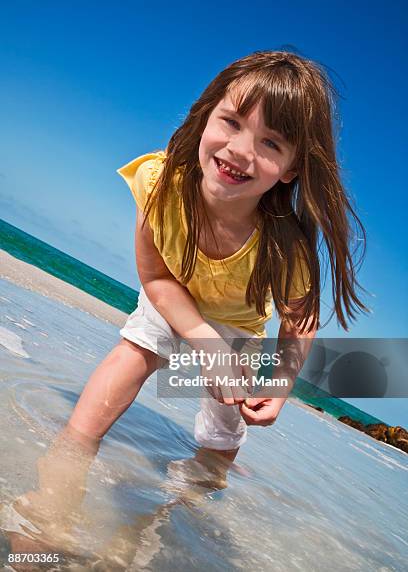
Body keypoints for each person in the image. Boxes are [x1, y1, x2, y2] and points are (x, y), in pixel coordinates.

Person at [68, 50, 368, 464]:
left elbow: (300, 317)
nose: (241, 149)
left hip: (238, 322)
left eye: (271, 142)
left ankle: (203, 495)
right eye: (232, 122)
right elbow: (156, 278)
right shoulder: (161, 184)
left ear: (290, 168)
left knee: (225, 423)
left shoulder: (284, 246)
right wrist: (207, 345)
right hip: (173, 291)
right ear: (208, 115)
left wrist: (280, 383)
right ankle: (70, 452)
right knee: (134, 351)